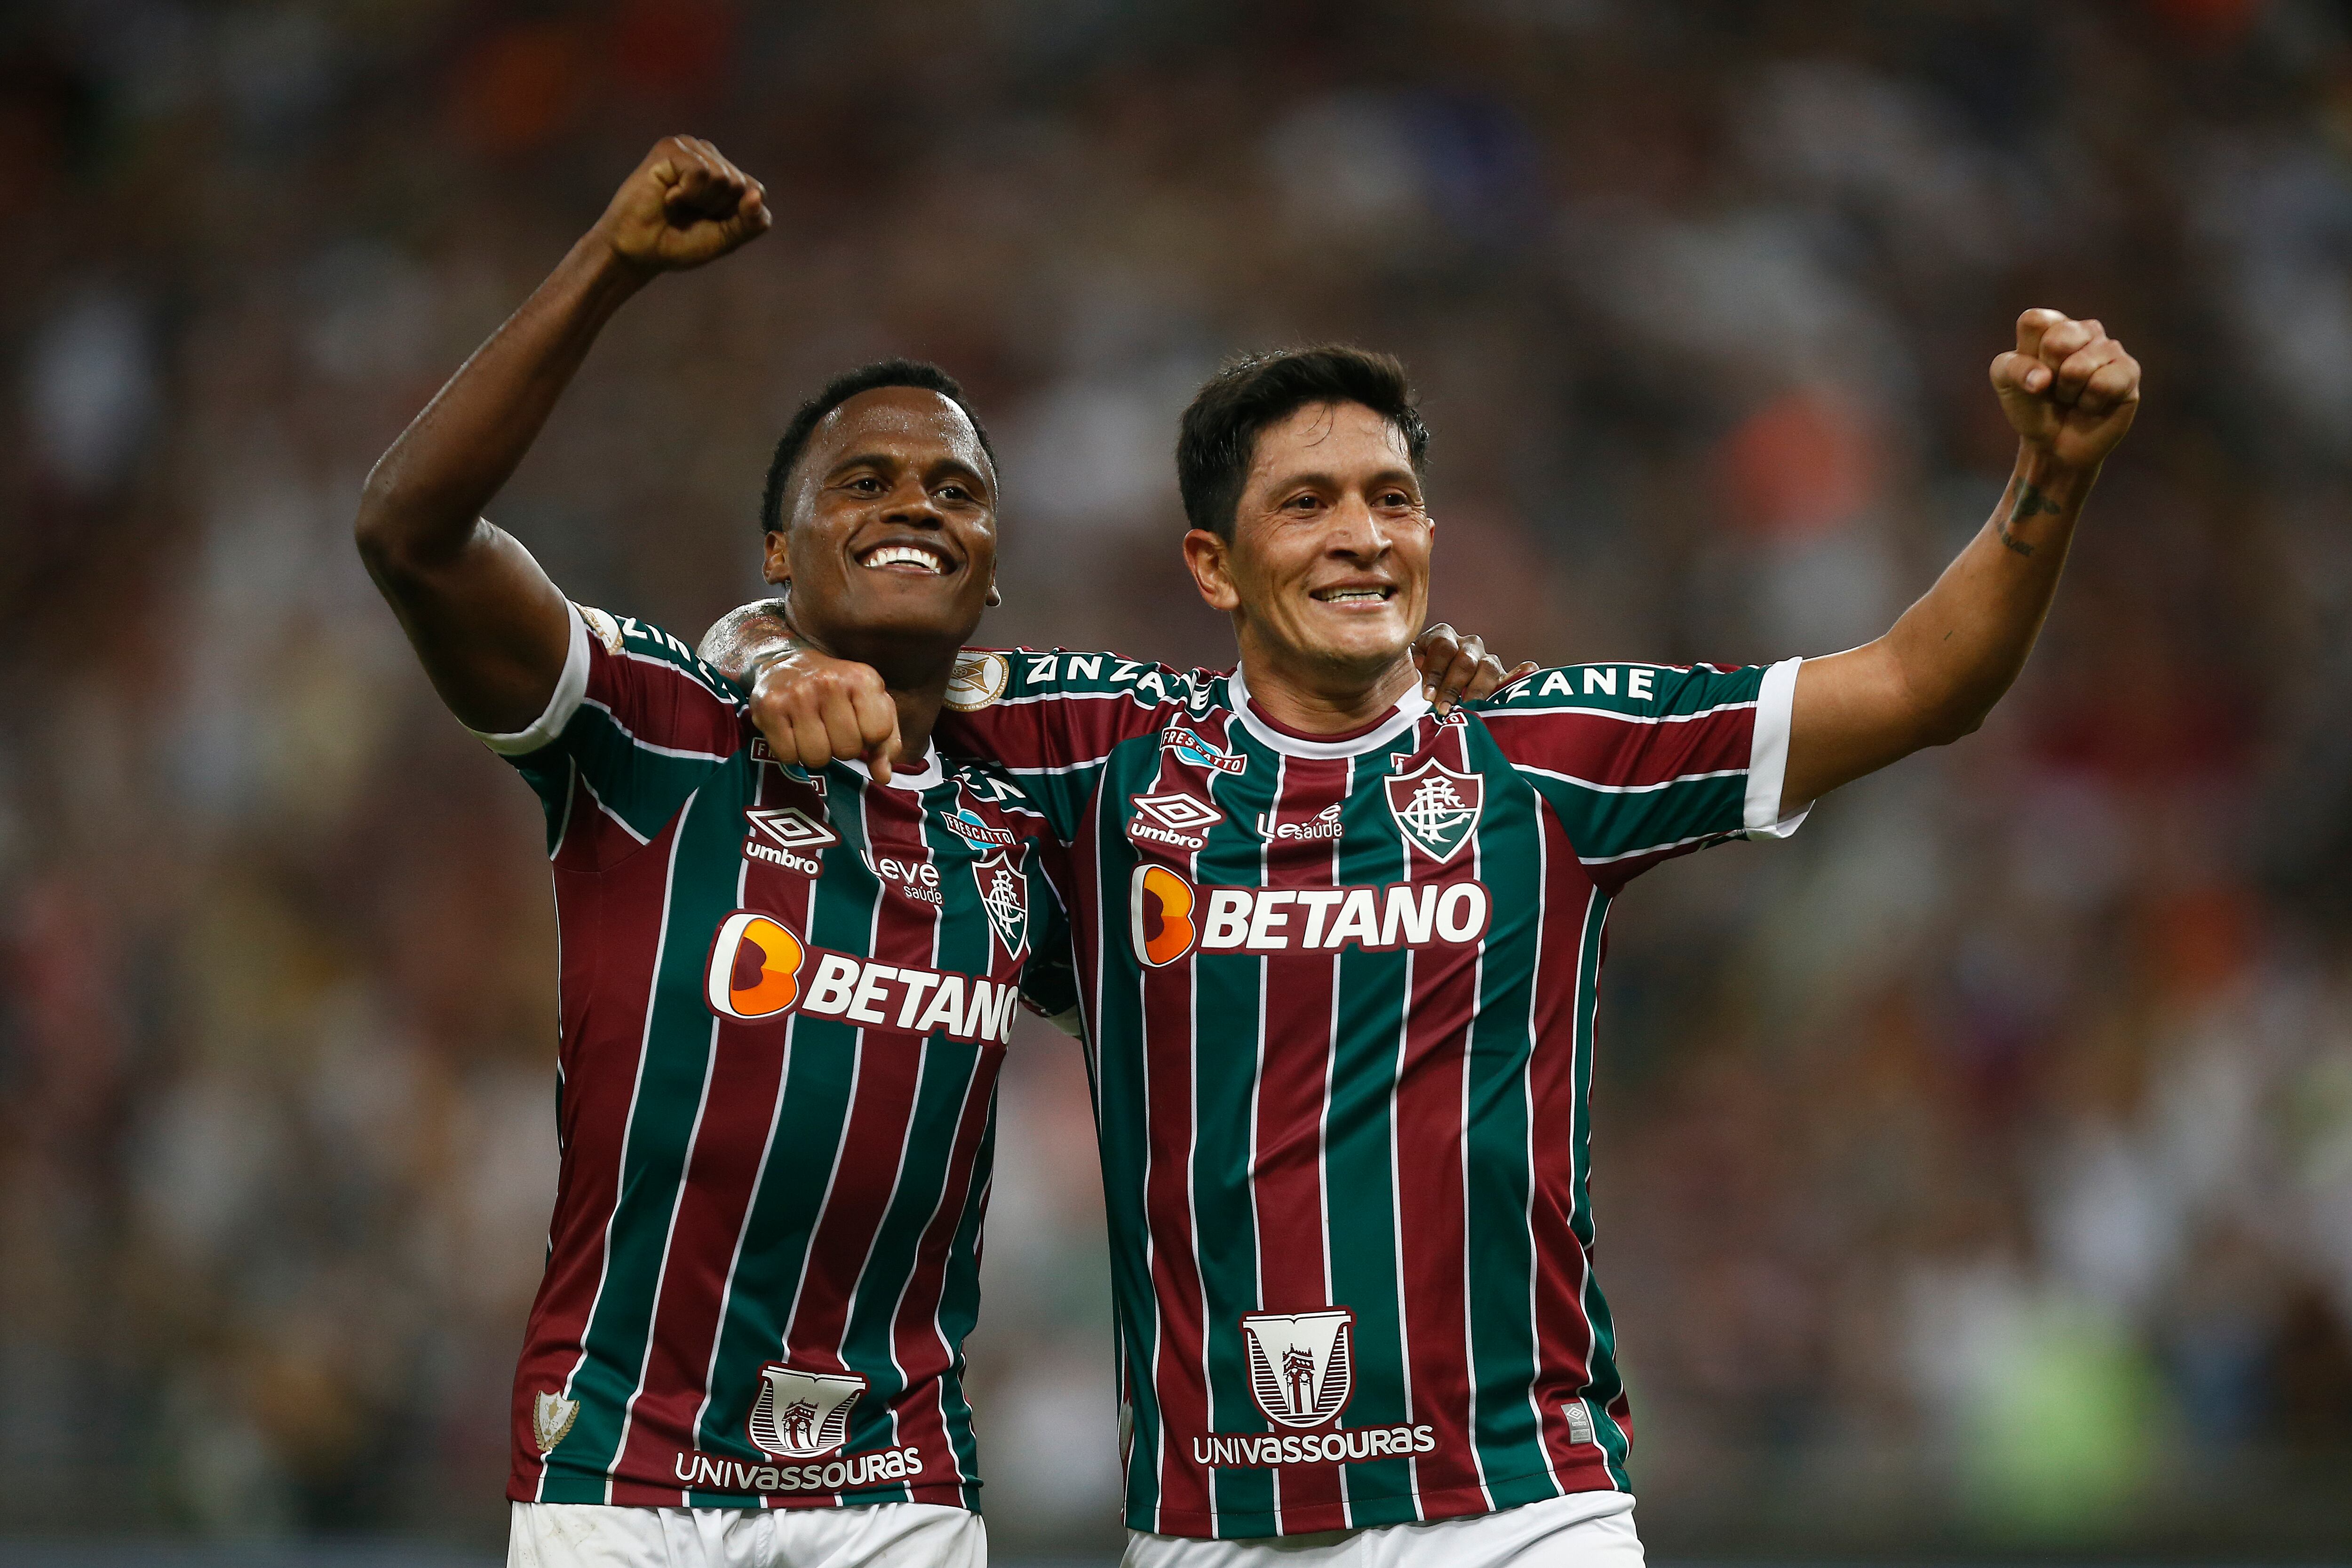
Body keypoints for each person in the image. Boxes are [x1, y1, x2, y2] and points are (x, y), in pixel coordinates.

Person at [724, 319, 2142, 1564]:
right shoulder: (1102, 751)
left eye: (1391, 500)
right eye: (1309, 504)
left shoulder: (1550, 757)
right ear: (1213, 566)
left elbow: (1917, 684)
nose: (1362, 535)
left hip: (1524, 1510)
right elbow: (797, 631)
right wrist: (780, 658)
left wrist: (2051, 479)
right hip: (1215, 1528)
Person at [354, 136, 1512, 1568]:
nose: (916, 503)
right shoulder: (655, 731)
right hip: (623, 1472)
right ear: (778, 550)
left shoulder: (1043, 802)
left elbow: (1282, 762)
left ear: (995, 568)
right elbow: (411, 534)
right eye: (866, 482)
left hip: (896, 1488)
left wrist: (1399, 674)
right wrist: (610, 269)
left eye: (957, 492)